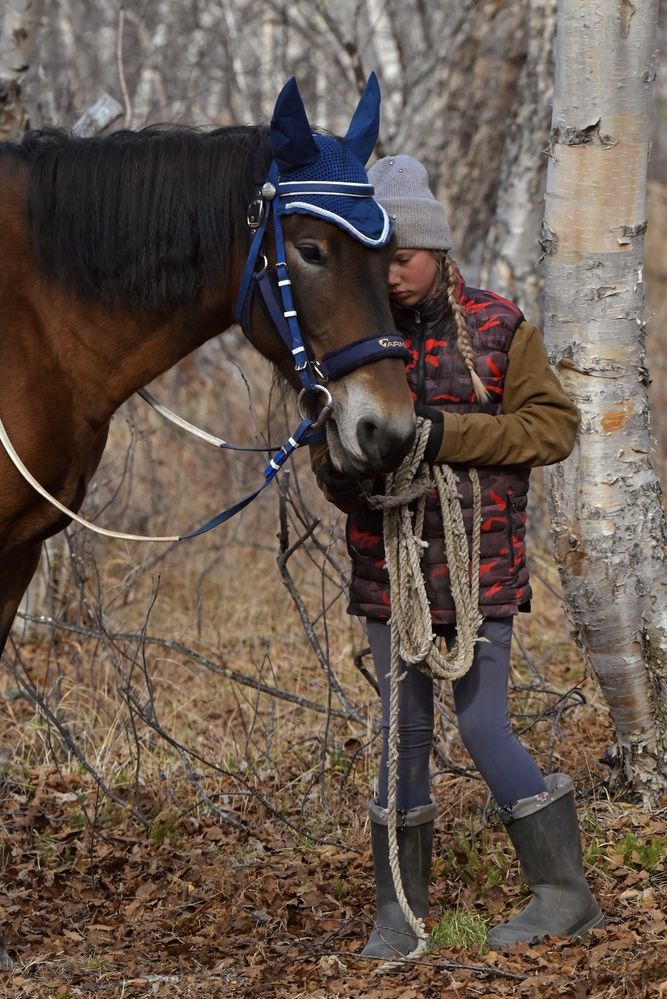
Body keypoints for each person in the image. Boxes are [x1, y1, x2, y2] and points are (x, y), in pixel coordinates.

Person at [311, 155, 604, 958]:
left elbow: (551, 429)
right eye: (376, 262)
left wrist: (443, 435)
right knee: (401, 731)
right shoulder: (356, 343)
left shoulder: (500, 327)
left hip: (482, 572)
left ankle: (562, 893)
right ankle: (397, 912)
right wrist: (350, 466)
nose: (391, 276)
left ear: (437, 251)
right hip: (389, 571)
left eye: (401, 258)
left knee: (481, 722)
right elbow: (328, 467)